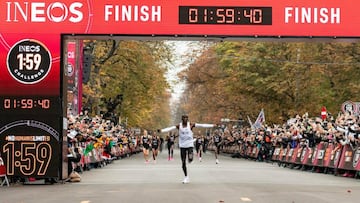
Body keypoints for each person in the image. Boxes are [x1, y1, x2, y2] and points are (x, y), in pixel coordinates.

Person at [158, 114, 215, 184]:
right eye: (184, 118)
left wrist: (212, 125)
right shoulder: (179, 126)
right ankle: (186, 177)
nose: (185, 119)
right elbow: (170, 128)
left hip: (190, 144)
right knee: (183, 163)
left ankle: (191, 158)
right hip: (182, 145)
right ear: (182, 119)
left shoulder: (190, 125)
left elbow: (201, 125)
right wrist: (161, 130)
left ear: (187, 119)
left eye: (186, 118)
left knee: (190, 158)